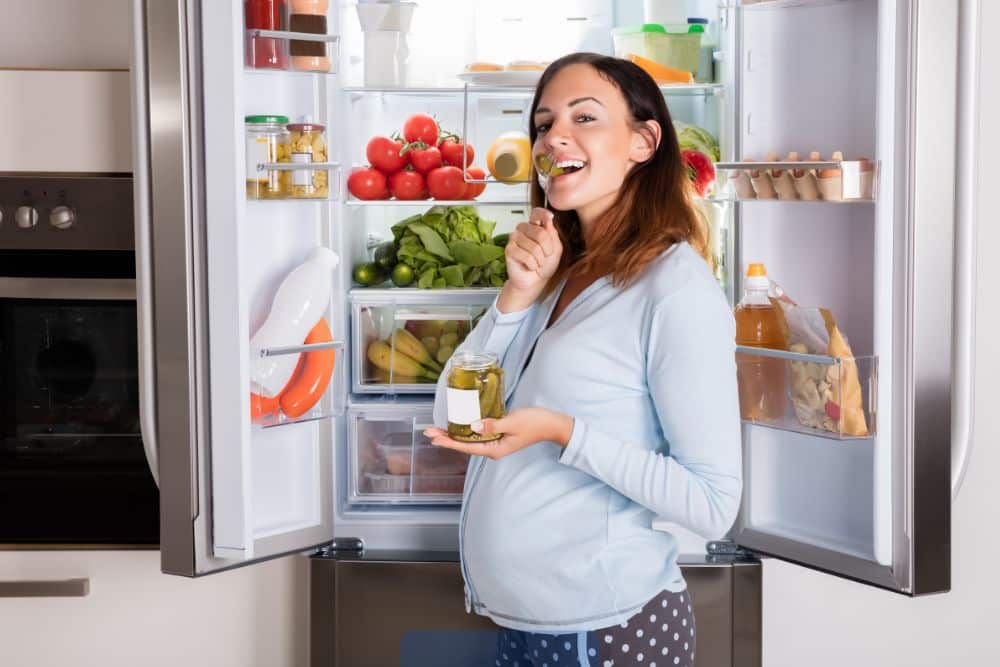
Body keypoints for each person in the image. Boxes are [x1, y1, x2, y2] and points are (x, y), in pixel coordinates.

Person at [424, 52, 742, 667]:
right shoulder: (559, 274)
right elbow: (453, 414)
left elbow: (712, 504)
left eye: (585, 117)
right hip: (530, 627)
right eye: (543, 124)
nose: (553, 137)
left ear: (644, 142)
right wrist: (514, 298)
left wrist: (559, 430)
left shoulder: (674, 286)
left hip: (610, 632)